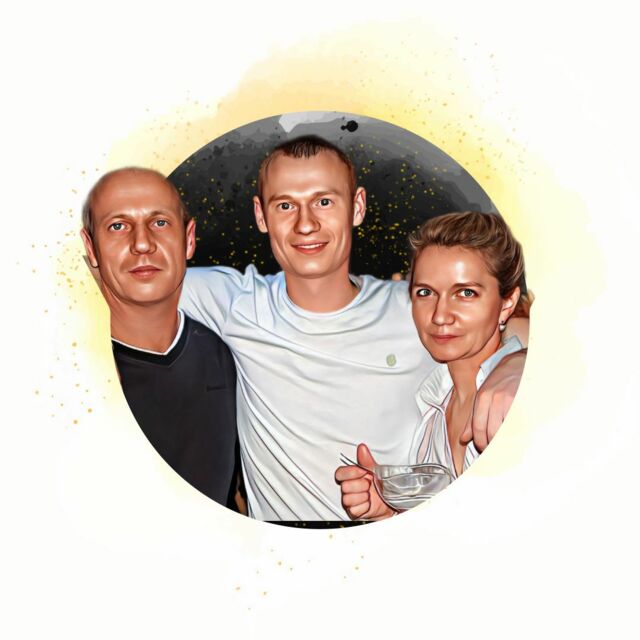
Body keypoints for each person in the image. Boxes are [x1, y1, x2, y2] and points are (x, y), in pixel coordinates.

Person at [180, 136, 528, 521]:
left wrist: (516, 365)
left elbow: (509, 322)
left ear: (357, 207)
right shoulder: (235, 303)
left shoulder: (417, 305)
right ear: (261, 216)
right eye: (285, 205)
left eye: (324, 202)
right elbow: (134, 284)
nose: (306, 224)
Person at [335, 211, 531, 520]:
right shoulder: (432, 411)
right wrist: (392, 511)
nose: (440, 315)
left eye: (465, 293)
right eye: (425, 293)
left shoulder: (524, 394)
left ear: (507, 303)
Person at [80, 168, 241, 510]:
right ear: (90, 248)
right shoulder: (72, 378)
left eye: (160, 222)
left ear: (189, 239)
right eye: (118, 226)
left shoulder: (224, 354)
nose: (142, 243)